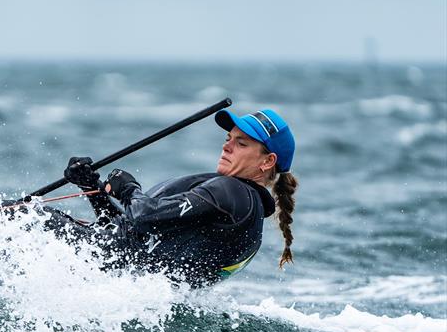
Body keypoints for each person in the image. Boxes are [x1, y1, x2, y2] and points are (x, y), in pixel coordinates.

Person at [50, 108, 298, 287]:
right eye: (228, 139)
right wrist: (91, 185)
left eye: (241, 144)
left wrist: (129, 189)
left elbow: (143, 217)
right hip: (102, 274)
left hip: (87, 262)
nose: (227, 146)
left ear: (267, 161)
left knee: (15, 216)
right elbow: (133, 238)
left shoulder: (231, 192)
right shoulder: (245, 211)